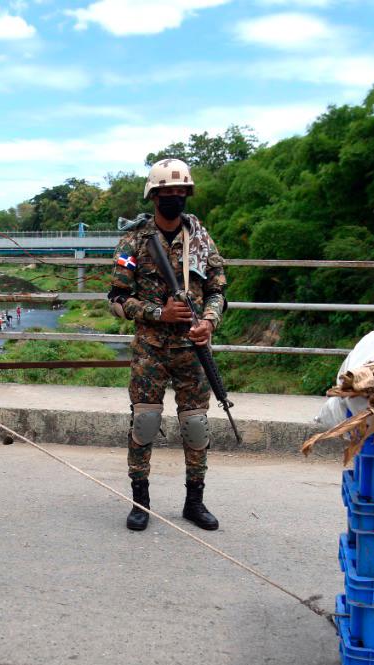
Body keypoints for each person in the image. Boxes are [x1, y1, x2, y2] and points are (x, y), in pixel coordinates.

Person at [108, 158, 227, 532]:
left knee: (196, 425)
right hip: (151, 348)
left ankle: (195, 502)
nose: (174, 197)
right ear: (154, 196)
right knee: (144, 422)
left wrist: (208, 321)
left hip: (193, 348)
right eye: (167, 192)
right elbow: (117, 299)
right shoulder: (133, 241)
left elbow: (217, 290)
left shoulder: (200, 238)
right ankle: (139, 501)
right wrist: (159, 313)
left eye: (180, 191)